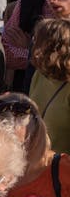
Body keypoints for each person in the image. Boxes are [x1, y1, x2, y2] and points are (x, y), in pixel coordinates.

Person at [29, 18, 70, 154]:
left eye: (38, 41)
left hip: (61, 170)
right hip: (35, 164)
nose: (34, 45)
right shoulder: (40, 74)